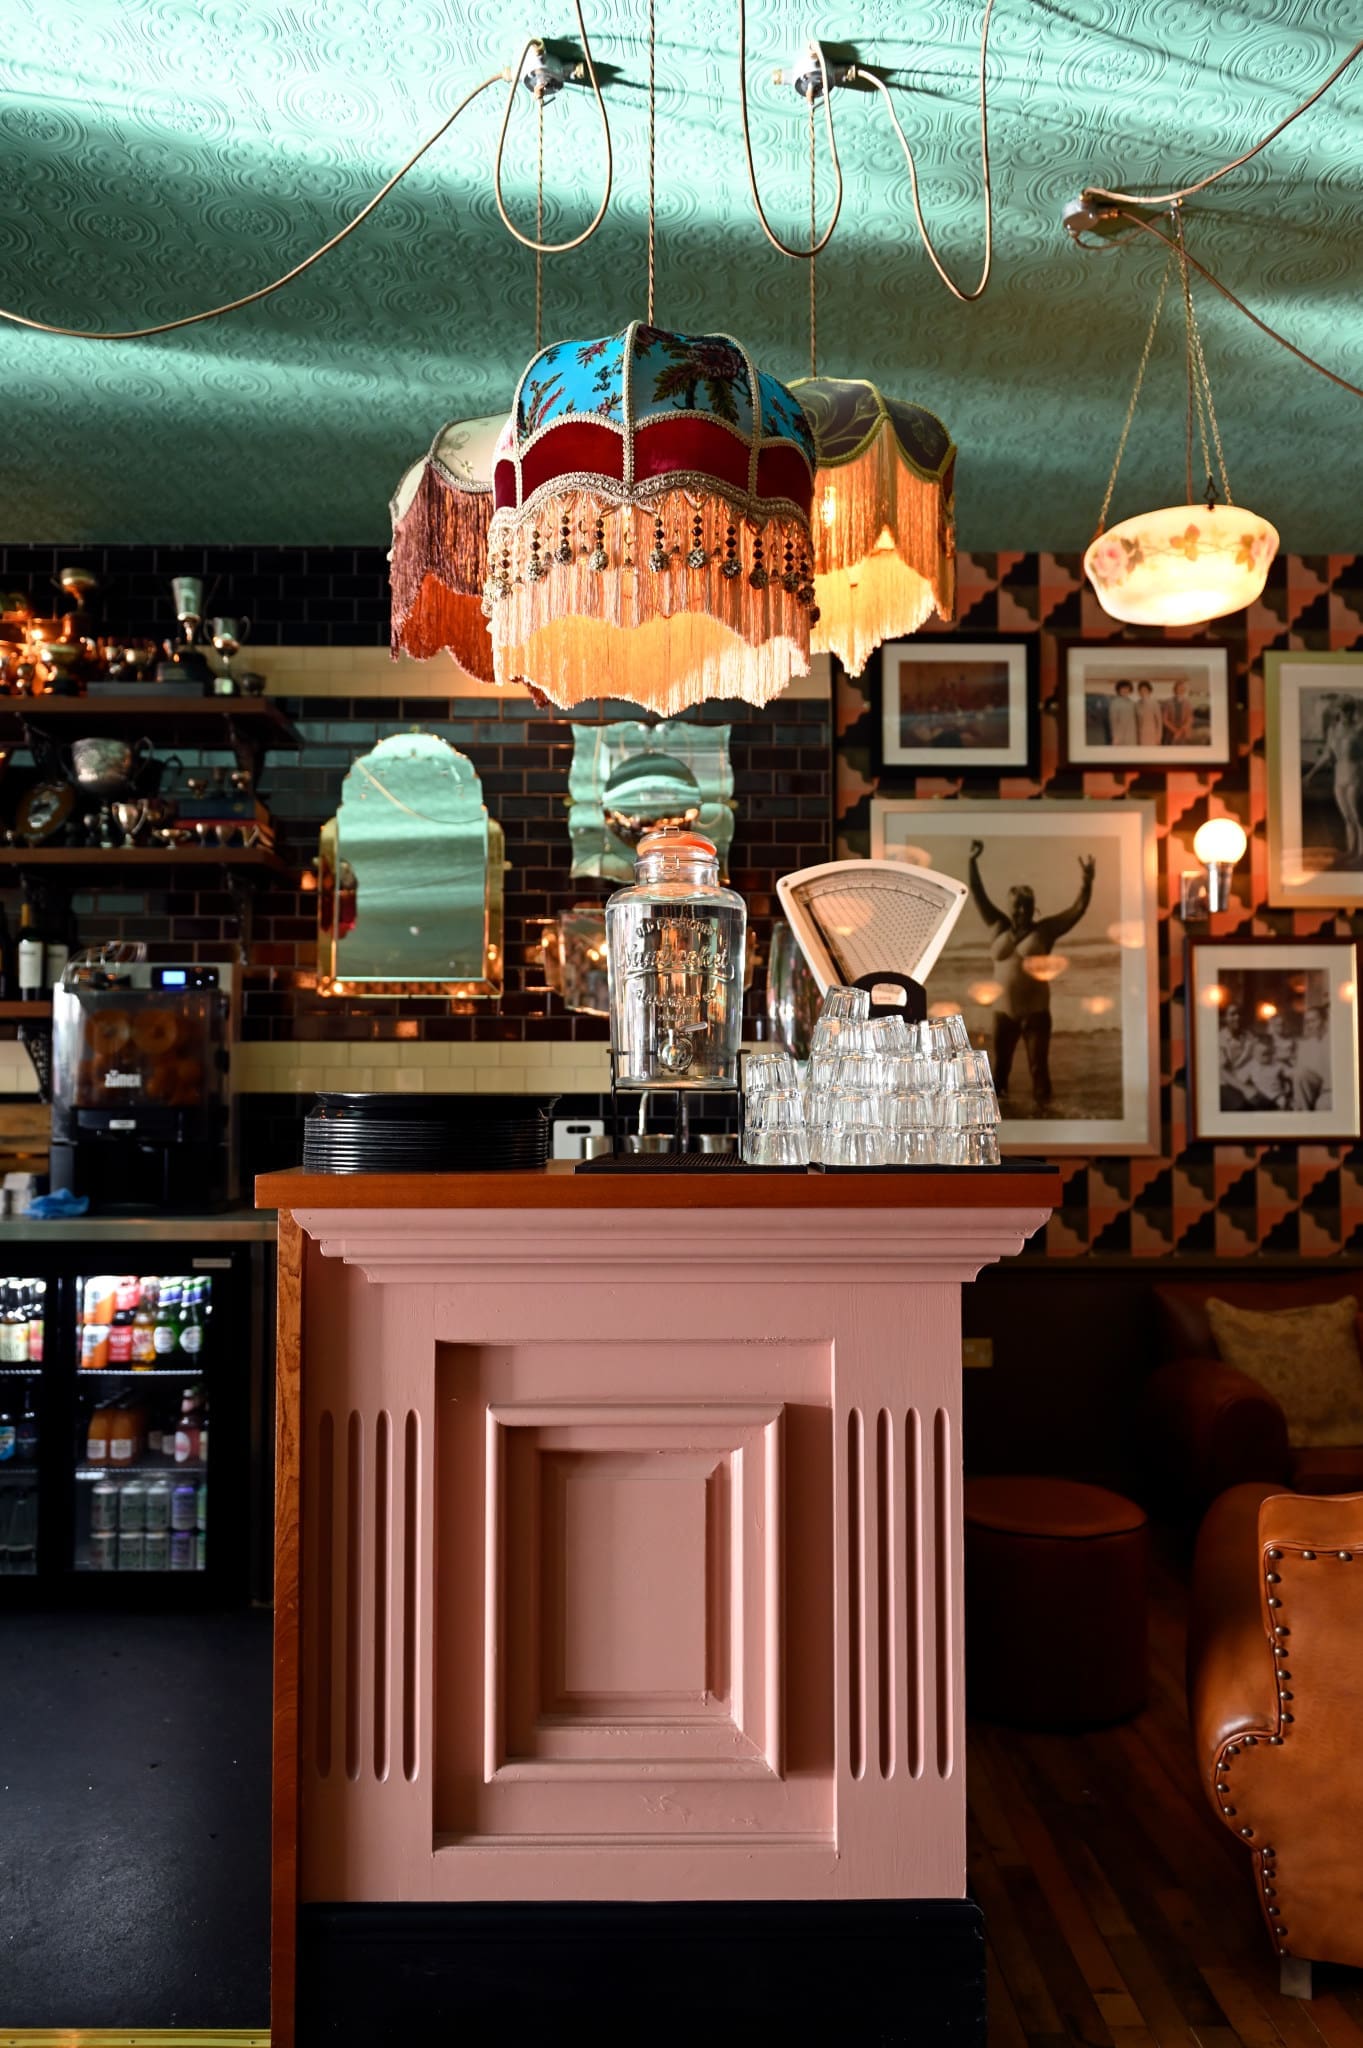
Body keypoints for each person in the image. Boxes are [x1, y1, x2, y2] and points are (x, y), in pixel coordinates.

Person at [967, 840, 1096, 1107]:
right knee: (999, 1073)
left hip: (1036, 1014)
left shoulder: (1045, 931)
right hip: (1003, 1013)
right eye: (1017, 905)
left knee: (1039, 1073)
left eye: (1027, 905)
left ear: (1033, 907)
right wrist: (972, 861)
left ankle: (1045, 1121)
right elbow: (978, 894)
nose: (1022, 910)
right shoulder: (997, 925)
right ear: (1009, 906)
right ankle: (1003, 1130)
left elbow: (1077, 911)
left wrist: (1087, 882)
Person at [1303, 695, 1363, 864]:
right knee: (1347, 817)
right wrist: (1311, 774)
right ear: (1338, 712)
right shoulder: (1333, 730)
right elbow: (1328, 755)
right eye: (1343, 711)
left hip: (1355, 775)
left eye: (1349, 711)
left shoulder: (1359, 729)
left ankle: (1360, 855)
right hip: (1339, 777)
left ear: (1353, 712)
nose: (1346, 715)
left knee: (1357, 816)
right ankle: (1351, 851)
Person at [1217, 1002, 1258, 1110]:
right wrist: (1245, 1088)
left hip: (1250, 1080)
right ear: (1224, 1018)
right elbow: (1222, 1071)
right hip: (1227, 1084)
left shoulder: (1248, 1035)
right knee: (1242, 1107)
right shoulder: (1219, 1039)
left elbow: (1259, 1056)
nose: (1237, 1017)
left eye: (1240, 1014)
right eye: (1232, 1014)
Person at [1294, 1001, 1332, 1111]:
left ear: (1325, 1021)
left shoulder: (1333, 1041)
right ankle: (1303, 1119)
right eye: (1307, 1022)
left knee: (1324, 1105)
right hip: (1314, 1090)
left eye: (1313, 1021)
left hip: (1331, 1090)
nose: (1309, 1026)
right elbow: (1301, 1074)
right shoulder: (1305, 1045)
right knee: (1299, 1073)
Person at [1162, 677, 1194, 747]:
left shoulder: (1188, 703)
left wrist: (1180, 731)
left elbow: (1190, 719)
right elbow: (1165, 720)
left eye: (1182, 688)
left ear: (1184, 690)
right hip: (1171, 733)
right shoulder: (1167, 702)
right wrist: (1175, 731)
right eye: (1179, 688)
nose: (1181, 690)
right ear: (1174, 689)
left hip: (1184, 733)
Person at [1107, 679, 1137, 749]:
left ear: (1130, 690)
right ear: (1119, 690)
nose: (1125, 690)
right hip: (1119, 736)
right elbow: (1113, 722)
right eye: (1123, 688)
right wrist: (1115, 738)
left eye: (1127, 688)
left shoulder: (1132, 703)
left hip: (1131, 736)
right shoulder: (1115, 703)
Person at [1135, 679, 1163, 748]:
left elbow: (1159, 722)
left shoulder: (1154, 703)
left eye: (1145, 690)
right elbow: (1136, 721)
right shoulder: (1137, 704)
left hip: (1152, 734)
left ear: (1149, 691)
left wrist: (1158, 737)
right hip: (1141, 735)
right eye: (1140, 690)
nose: (1142, 692)